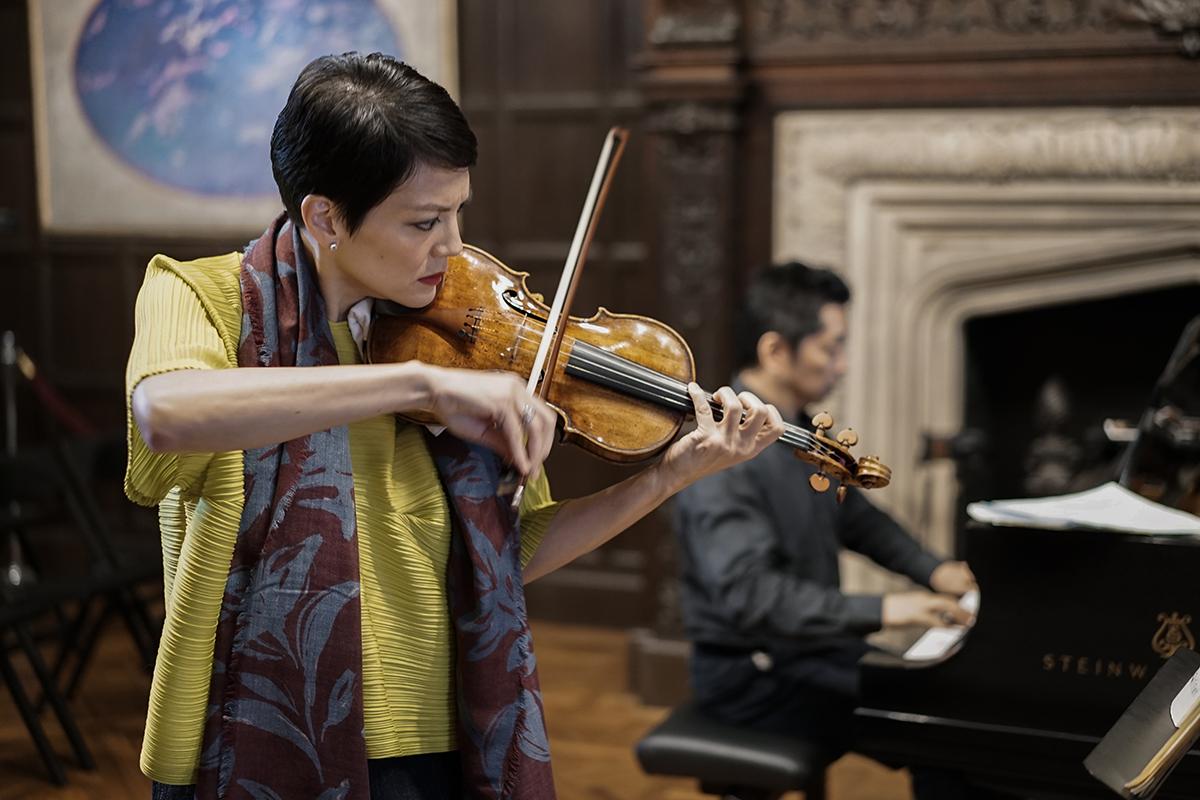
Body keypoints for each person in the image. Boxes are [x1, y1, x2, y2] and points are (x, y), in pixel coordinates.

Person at [125, 52, 785, 800]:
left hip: (445, 730)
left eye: (458, 212)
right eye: (423, 221)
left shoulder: (466, 341)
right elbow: (166, 415)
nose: (453, 244)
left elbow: (511, 557)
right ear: (325, 216)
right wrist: (416, 384)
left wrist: (670, 475)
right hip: (246, 727)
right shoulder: (200, 297)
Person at [672, 261, 981, 799]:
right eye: (830, 347)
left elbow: (859, 520)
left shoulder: (798, 434)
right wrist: (889, 609)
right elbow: (753, 597)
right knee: (944, 728)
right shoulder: (718, 452)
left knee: (954, 711)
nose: (841, 365)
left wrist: (938, 572)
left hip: (811, 652)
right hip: (755, 677)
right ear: (775, 351)